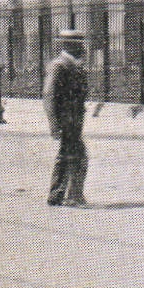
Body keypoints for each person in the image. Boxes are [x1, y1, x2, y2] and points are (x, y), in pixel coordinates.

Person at [43, 29, 90, 207]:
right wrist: (53, 124)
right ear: (69, 46)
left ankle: (60, 195)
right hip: (65, 120)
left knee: (69, 155)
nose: (82, 48)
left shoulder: (73, 65)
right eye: (78, 45)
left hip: (74, 120)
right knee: (75, 156)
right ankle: (70, 196)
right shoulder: (58, 66)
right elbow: (49, 95)